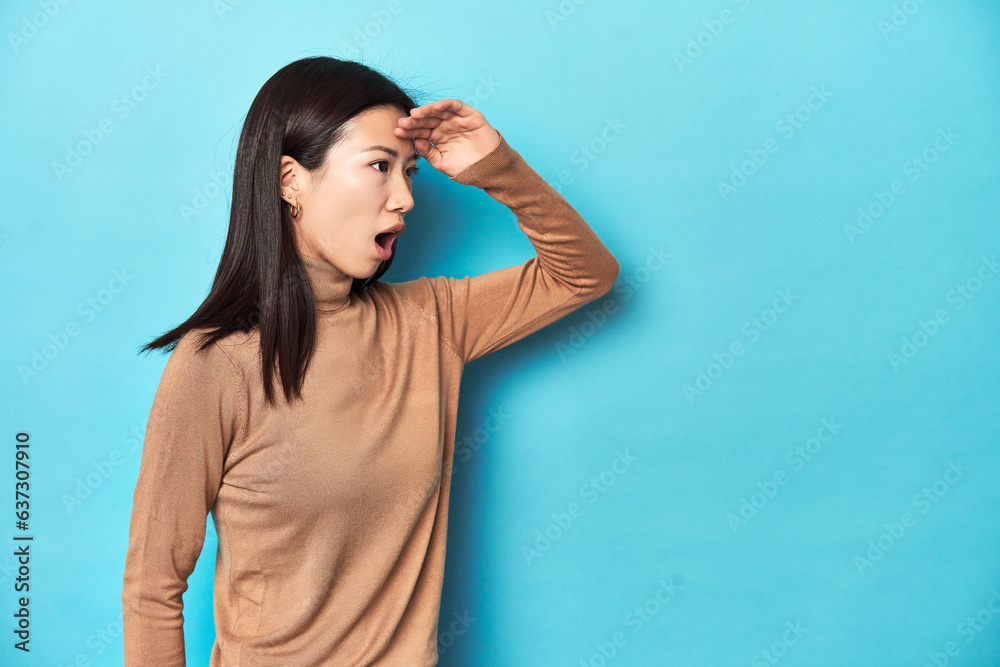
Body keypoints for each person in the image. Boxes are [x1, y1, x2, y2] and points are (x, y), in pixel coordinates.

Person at [121, 55, 619, 665]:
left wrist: (498, 168)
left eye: (409, 172)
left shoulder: (431, 322)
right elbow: (152, 589)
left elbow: (585, 274)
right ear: (289, 180)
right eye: (379, 167)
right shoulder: (214, 364)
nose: (405, 198)